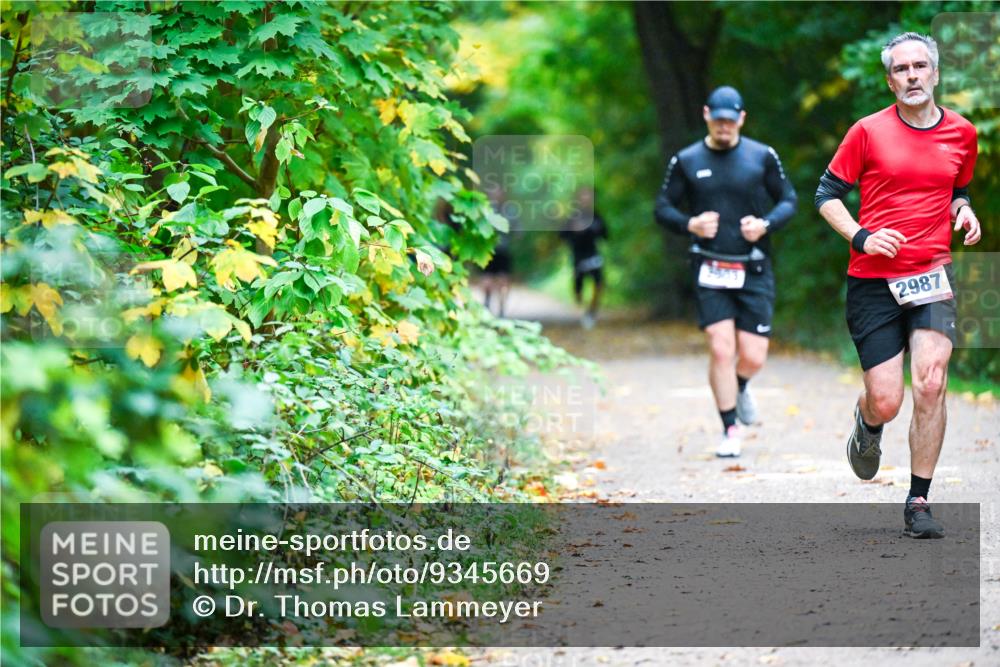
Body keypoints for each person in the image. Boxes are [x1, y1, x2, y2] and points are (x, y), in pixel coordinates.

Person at [815, 32, 980, 538]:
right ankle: (868, 425)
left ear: (934, 73)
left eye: (920, 66)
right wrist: (861, 236)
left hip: (932, 275)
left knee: (931, 381)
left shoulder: (962, 133)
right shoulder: (866, 131)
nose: (912, 75)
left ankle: (918, 501)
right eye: (901, 69)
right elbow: (826, 195)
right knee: (887, 399)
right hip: (873, 281)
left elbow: (956, 187)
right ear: (890, 80)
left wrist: (964, 209)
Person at [655, 85, 797, 458]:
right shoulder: (686, 160)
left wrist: (765, 224)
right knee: (721, 349)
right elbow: (662, 208)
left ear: (741, 119)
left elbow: (789, 200)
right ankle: (730, 427)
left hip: (753, 266)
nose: (723, 127)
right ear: (706, 115)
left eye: (730, 121)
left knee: (753, 355)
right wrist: (691, 224)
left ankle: (741, 385)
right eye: (717, 120)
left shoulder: (761, 156)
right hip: (710, 266)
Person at [560, 187, 609, 329]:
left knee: (599, 285)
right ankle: (582, 311)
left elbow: (606, 235)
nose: (586, 199)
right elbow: (562, 236)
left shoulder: (596, 216)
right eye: (583, 196)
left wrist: (594, 230)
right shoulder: (572, 217)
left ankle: (591, 312)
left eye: (588, 196)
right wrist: (574, 232)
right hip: (578, 258)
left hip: (593, 256)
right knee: (578, 290)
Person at [481, 183, 514, 317]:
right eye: (493, 193)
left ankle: (501, 311)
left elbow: (518, 230)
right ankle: (487, 305)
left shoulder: (510, 211)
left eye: (498, 193)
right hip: (487, 251)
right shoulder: (484, 211)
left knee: (503, 281)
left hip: (503, 251)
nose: (496, 196)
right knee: (487, 280)